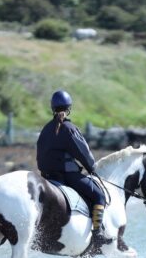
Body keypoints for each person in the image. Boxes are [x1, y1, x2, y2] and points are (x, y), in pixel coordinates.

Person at [36, 90, 106, 240]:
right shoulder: (69, 129)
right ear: (69, 108)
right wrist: (91, 169)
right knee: (99, 195)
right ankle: (98, 233)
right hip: (68, 176)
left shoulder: (45, 130)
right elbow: (84, 154)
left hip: (47, 177)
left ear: (52, 108)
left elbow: (39, 158)